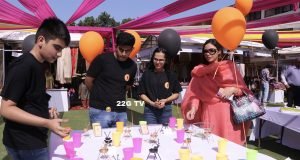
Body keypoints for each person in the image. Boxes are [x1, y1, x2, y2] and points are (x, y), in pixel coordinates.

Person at [0, 17, 70, 160]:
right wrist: (46, 122)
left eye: (61, 49)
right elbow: (6, 109)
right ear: (41, 40)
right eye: (57, 47)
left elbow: (27, 101)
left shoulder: (39, 65)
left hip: (33, 139)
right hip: (25, 143)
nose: (59, 54)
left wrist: (45, 111)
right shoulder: (23, 66)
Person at [181, 39, 251, 145]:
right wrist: (193, 108)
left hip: (228, 114)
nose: (208, 54)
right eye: (205, 51)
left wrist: (232, 89)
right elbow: (195, 94)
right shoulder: (199, 72)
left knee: (229, 146)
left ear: (219, 51)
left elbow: (244, 91)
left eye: (211, 51)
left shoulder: (229, 67)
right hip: (209, 113)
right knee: (211, 144)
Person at [85, 32, 137, 128]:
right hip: (99, 110)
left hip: (121, 112)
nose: (123, 53)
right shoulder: (102, 59)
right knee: (100, 141)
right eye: (121, 50)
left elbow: (127, 87)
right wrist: (98, 95)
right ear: (116, 46)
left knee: (120, 141)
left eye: (127, 51)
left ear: (132, 49)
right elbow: (88, 81)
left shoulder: (132, 66)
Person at [137, 47, 182, 124]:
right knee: (151, 133)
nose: (158, 62)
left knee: (165, 133)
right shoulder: (147, 74)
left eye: (161, 60)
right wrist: (152, 103)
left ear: (165, 61)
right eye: (155, 59)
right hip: (150, 110)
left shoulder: (171, 74)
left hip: (166, 110)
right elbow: (141, 93)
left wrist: (166, 100)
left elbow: (176, 93)